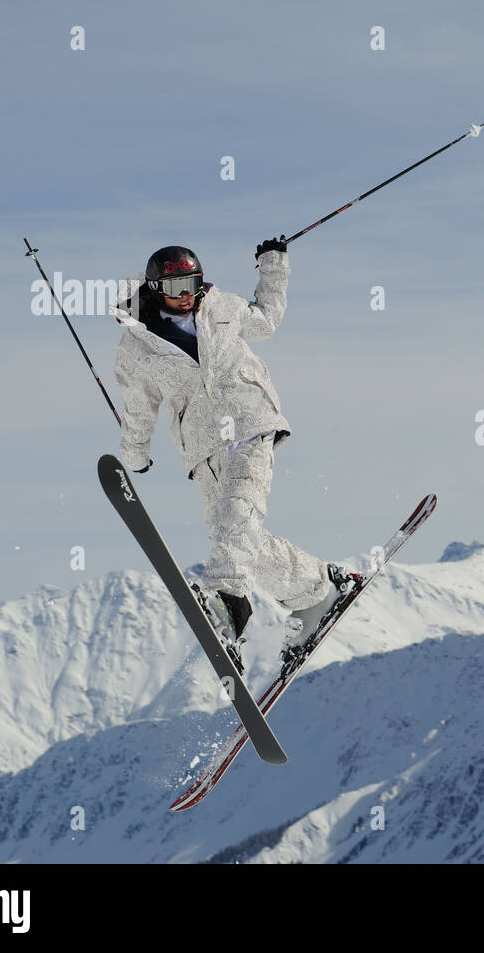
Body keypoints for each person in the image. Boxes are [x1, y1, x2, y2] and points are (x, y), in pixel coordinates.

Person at [110, 240, 360, 673]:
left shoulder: (221, 306)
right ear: (154, 288)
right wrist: (134, 454)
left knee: (237, 514)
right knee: (239, 538)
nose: (185, 293)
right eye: (173, 285)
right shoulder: (137, 349)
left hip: (249, 419)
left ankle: (227, 606)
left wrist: (273, 266)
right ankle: (317, 592)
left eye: (190, 282)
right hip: (202, 447)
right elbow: (137, 407)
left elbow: (266, 319)